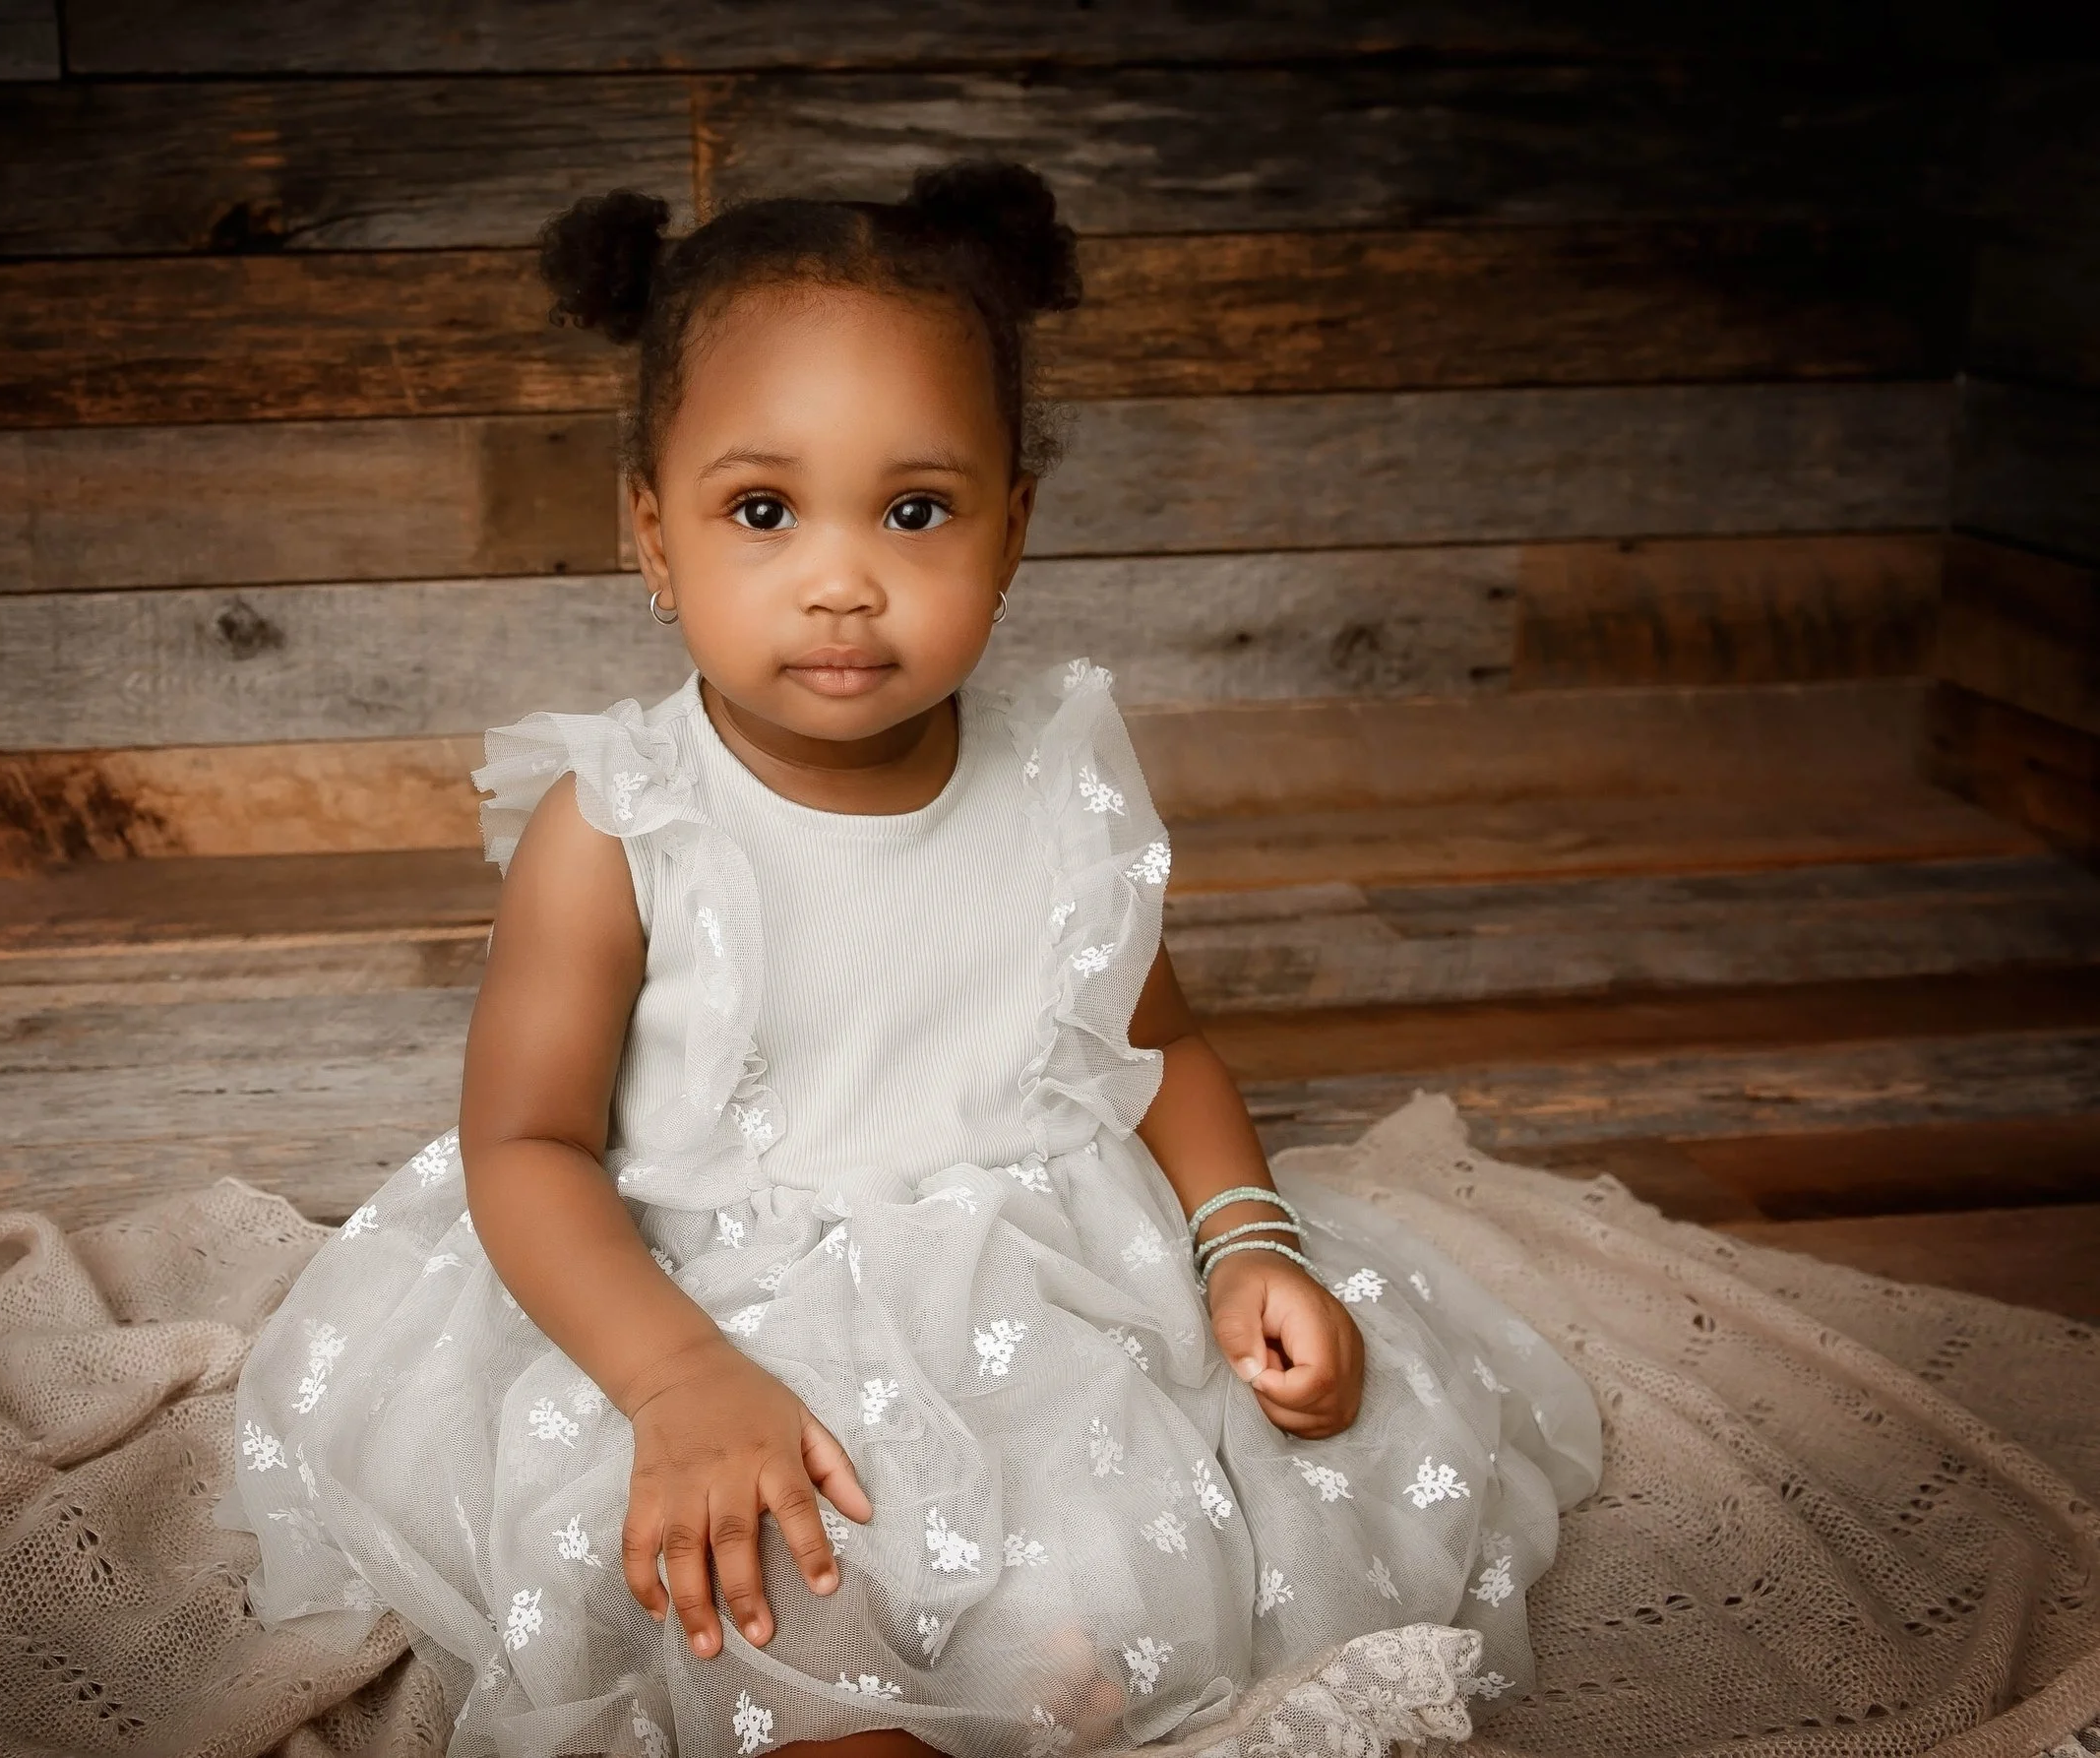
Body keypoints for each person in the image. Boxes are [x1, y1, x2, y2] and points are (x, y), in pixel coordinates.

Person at [225, 160, 1603, 1758]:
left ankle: (1046, 1677)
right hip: (685, 1307)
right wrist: (677, 1380)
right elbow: (522, 1144)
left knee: (1116, 1534)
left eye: (915, 509)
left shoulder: (1059, 784)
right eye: (763, 509)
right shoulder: (621, 825)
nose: (841, 577)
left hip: (1026, 1307)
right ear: (652, 531)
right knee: (749, 1565)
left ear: (1013, 528)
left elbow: (1159, 1044)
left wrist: (1243, 1243)